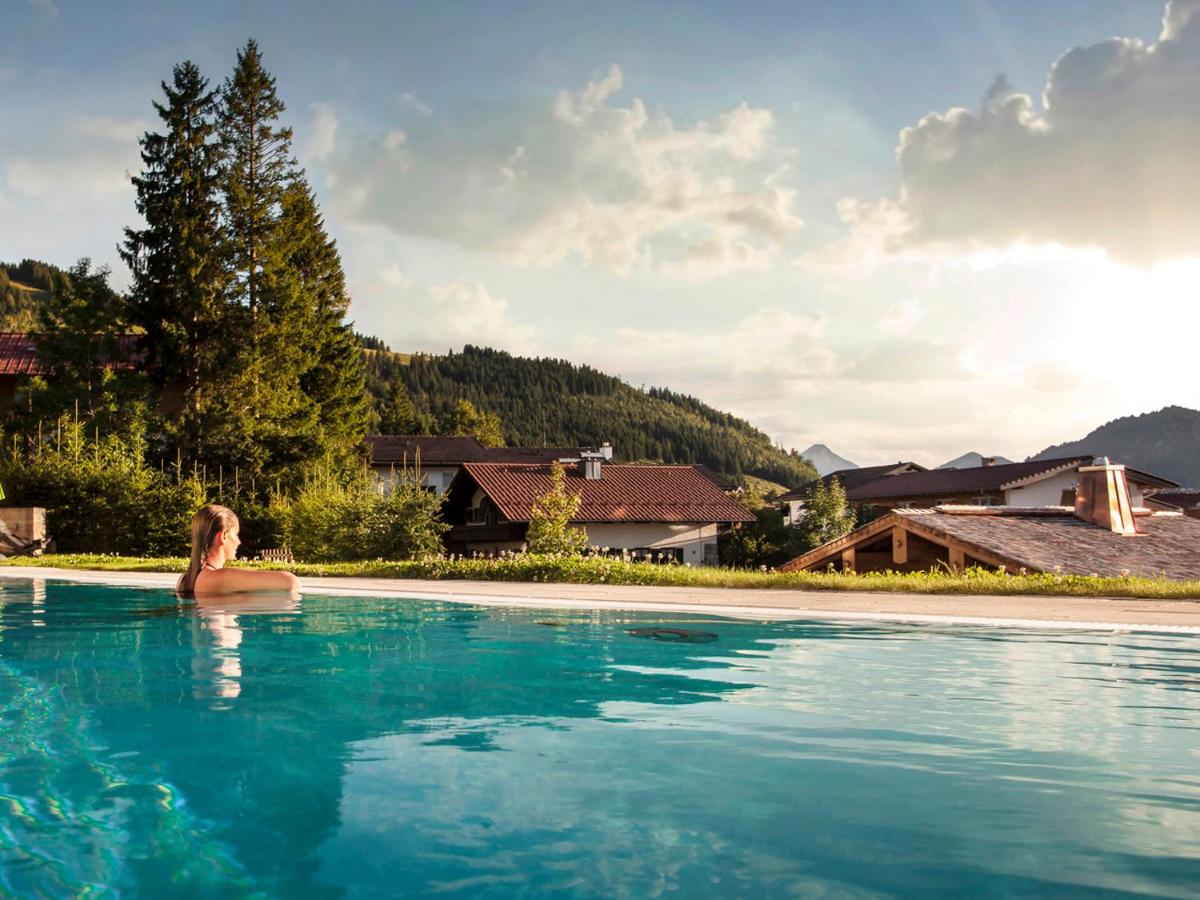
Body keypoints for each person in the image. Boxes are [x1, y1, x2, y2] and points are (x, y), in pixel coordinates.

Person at [177, 504, 299, 596]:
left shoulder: (184, 580)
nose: (239, 542)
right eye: (236, 534)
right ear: (223, 536)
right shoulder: (219, 578)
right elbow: (291, 582)